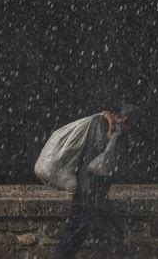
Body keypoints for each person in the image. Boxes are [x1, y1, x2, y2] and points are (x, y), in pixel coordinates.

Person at [54, 104, 141, 259]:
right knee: (99, 235)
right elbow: (100, 154)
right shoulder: (101, 123)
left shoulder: (111, 127)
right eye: (130, 124)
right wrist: (114, 134)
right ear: (124, 120)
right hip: (89, 192)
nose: (130, 129)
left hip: (94, 193)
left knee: (82, 235)